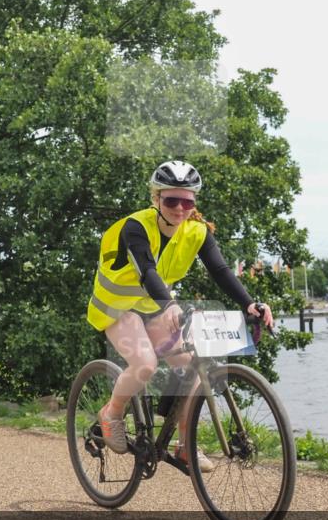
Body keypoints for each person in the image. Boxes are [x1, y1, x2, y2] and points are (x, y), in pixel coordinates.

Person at [86, 160, 274, 471]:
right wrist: (170, 304)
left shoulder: (197, 231)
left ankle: (186, 446)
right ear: (155, 198)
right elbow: (146, 270)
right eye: (171, 200)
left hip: (154, 307)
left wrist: (250, 304)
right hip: (117, 307)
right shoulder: (136, 227)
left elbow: (221, 270)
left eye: (187, 201)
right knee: (144, 364)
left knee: (190, 369)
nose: (180, 208)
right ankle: (112, 412)